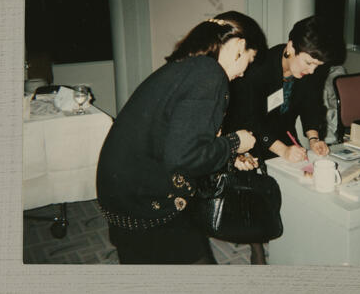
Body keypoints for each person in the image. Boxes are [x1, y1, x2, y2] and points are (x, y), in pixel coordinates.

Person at [96, 16, 266, 264]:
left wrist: (229, 153)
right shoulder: (210, 73)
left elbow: (180, 141)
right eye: (249, 61)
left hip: (123, 189)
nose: (242, 74)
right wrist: (235, 142)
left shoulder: (188, 66)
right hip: (145, 199)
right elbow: (185, 158)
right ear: (239, 46)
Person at [222, 15, 342, 263]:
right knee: (253, 189)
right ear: (290, 47)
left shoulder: (313, 68)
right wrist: (281, 149)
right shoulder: (258, 66)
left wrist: (313, 138)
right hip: (247, 133)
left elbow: (312, 105)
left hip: (283, 130)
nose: (311, 71)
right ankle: (256, 246)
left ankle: (292, 235)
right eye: (308, 63)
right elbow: (250, 119)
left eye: (317, 66)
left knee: (294, 180)